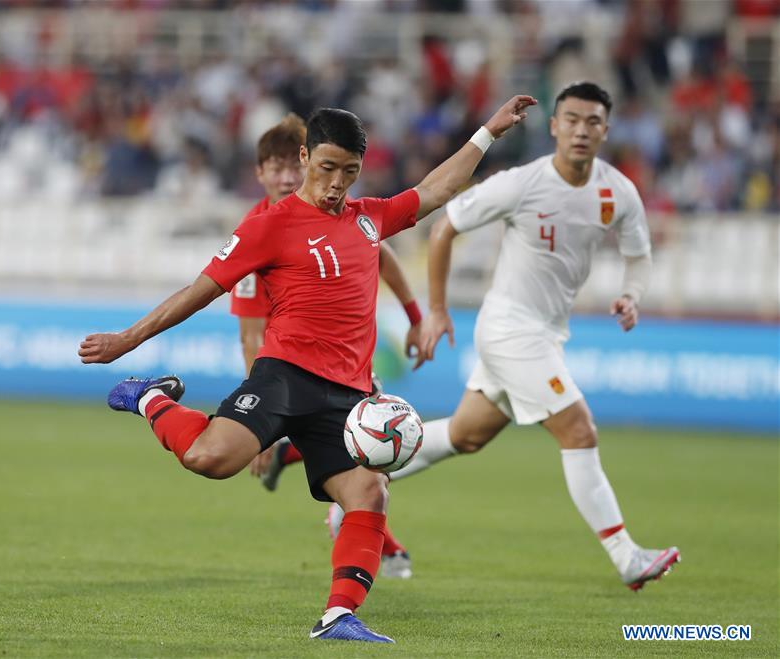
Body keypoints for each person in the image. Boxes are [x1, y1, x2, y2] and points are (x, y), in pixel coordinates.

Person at [78, 94, 536, 643]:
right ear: (304, 157)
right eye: (326, 168)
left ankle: (339, 615)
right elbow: (198, 292)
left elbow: (438, 189)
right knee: (209, 458)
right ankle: (150, 397)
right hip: (284, 376)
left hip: (348, 397)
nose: (337, 183)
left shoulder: (370, 220)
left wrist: (487, 131)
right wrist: (128, 339)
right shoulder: (268, 226)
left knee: (369, 494)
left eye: (349, 171)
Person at [386, 82, 679, 592]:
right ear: (554, 126)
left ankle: (362, 477)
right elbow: (444, 227)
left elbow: (639, 255)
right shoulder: (522, 183)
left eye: (592, 122)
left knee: (463, 436)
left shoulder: (618, 192)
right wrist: (436, 310)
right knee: (579, 430)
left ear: (606, 130)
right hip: (509, 330)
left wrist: (632, 295)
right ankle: (625, 556)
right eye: (571, 119)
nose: (581, 130)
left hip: (544, 333)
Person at [234, 114, 419, 579]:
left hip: (343, 362)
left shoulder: (342, 212)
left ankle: (297, 462)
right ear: (260, 173)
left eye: (288, 167)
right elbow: (251, 332)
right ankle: (374, 541)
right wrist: (256, 410)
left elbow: (384, 255)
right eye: (271, 168)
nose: (283, 177)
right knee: (375, 450)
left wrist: (416, 314)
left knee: (373, 455)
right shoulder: (257, 230)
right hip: (291, 366)